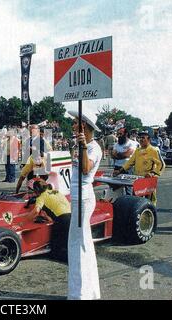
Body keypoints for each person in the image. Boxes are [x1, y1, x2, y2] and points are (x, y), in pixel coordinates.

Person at [66, 110, 102, 300]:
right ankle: (85, 291)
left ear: (85, 126)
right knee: (78, 243)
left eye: (75, 123)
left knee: (79, 244)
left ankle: (81, 294)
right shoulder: (79, 144)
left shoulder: (93, 148)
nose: (72, 126)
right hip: (75, 197)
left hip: (84, 198)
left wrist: (82, 145)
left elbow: (86, 169)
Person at [113, 131, 165, 205]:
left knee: (149, 202)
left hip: (149, 180)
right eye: (140, 138)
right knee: (136, 201)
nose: (141, 139)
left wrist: (152, 173)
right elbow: (129, 163)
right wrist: (119, 171)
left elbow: (162, 165)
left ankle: (150, 215)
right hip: (138, 179)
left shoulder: (154, 150)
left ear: (149, 139)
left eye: (143, 138)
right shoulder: (138, 150)